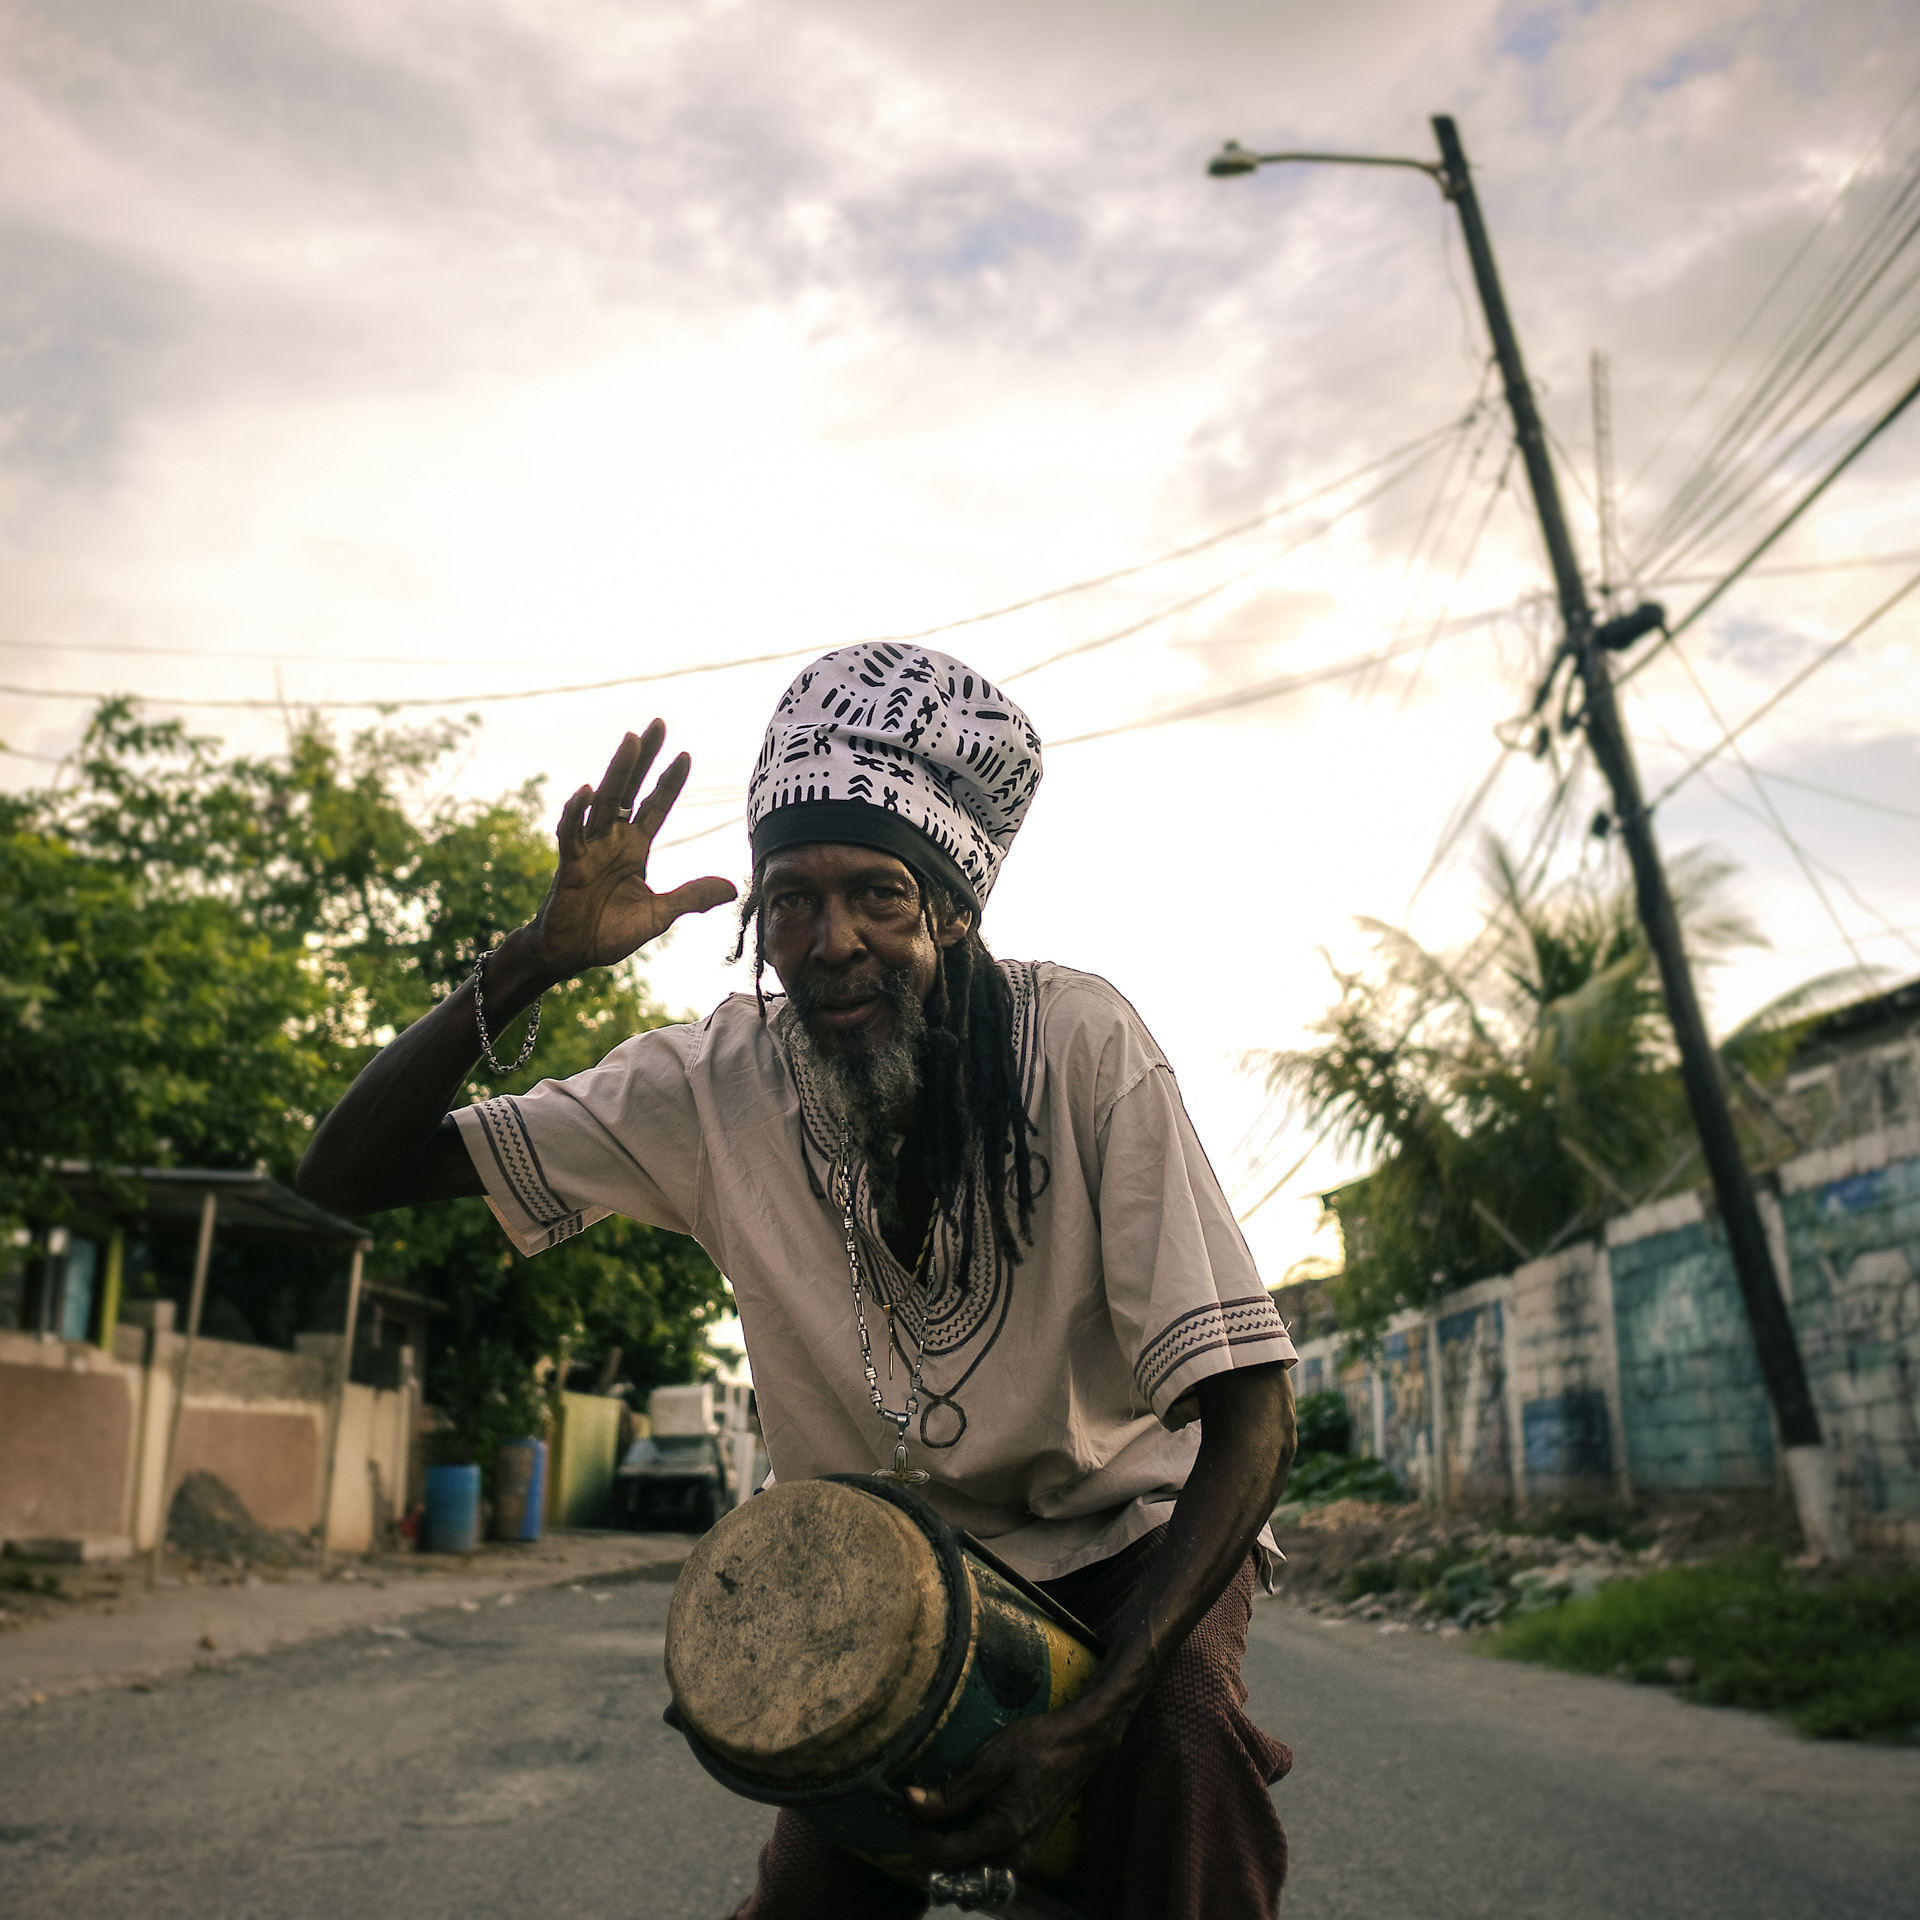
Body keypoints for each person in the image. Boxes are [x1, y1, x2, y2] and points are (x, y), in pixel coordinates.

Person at [300, 645, 1298, 1920]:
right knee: (820, 1892)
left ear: (952, 910)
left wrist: (1094, 1721)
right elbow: (346, 1173)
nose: (831, 944)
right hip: (883, 1571)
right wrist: (536, 958)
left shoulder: (1084, 1046)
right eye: (788, 900)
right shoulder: (709, 1087)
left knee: (1183, 1749)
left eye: (878, 896)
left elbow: (1254, 1417)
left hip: (1120, 1546)